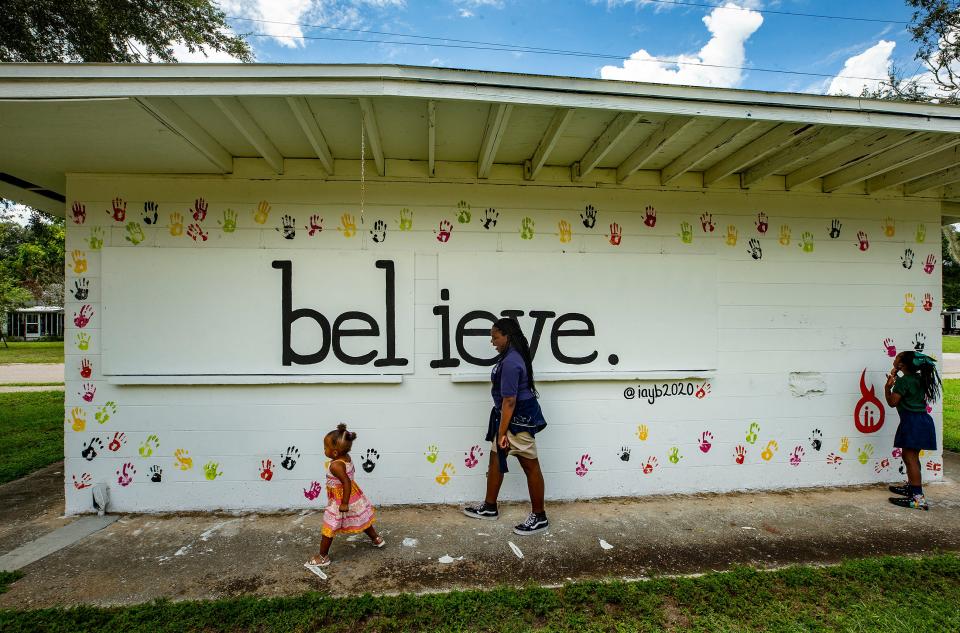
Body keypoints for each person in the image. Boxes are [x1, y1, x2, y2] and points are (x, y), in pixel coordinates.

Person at [463, 318, 549, 535]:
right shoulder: (510, 357)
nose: (492, 342)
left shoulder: (511, 362)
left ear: (507, 336)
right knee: (495, 459)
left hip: (517, 420)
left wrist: (503, 433)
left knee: (530, 467)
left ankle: (540, 517)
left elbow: (510, 401)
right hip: (508, 417)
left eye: (495, 337)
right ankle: (490, 506)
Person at [305, 423, 384, 576]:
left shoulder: (336, 465)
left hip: (342, 499)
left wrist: (344, 503)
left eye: (325, 447)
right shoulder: (346, 457)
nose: (324, 450)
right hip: (354, 495)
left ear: (334, 452)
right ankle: (376, 539)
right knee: (361, 518)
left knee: (330, 525)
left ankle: (323, 556)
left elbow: (346, 482)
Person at [884, 351, 941, 510]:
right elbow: (909, 387)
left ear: (901, 364)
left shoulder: (903, 382)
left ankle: (918, 499)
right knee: (911, 456)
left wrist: (888, 387)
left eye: (897, 358)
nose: (894, 360)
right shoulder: (918, 378)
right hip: (922, 421)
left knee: (910, 458)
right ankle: (912, 487)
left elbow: (892, 402)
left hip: (911, 422)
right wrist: (896, 376)